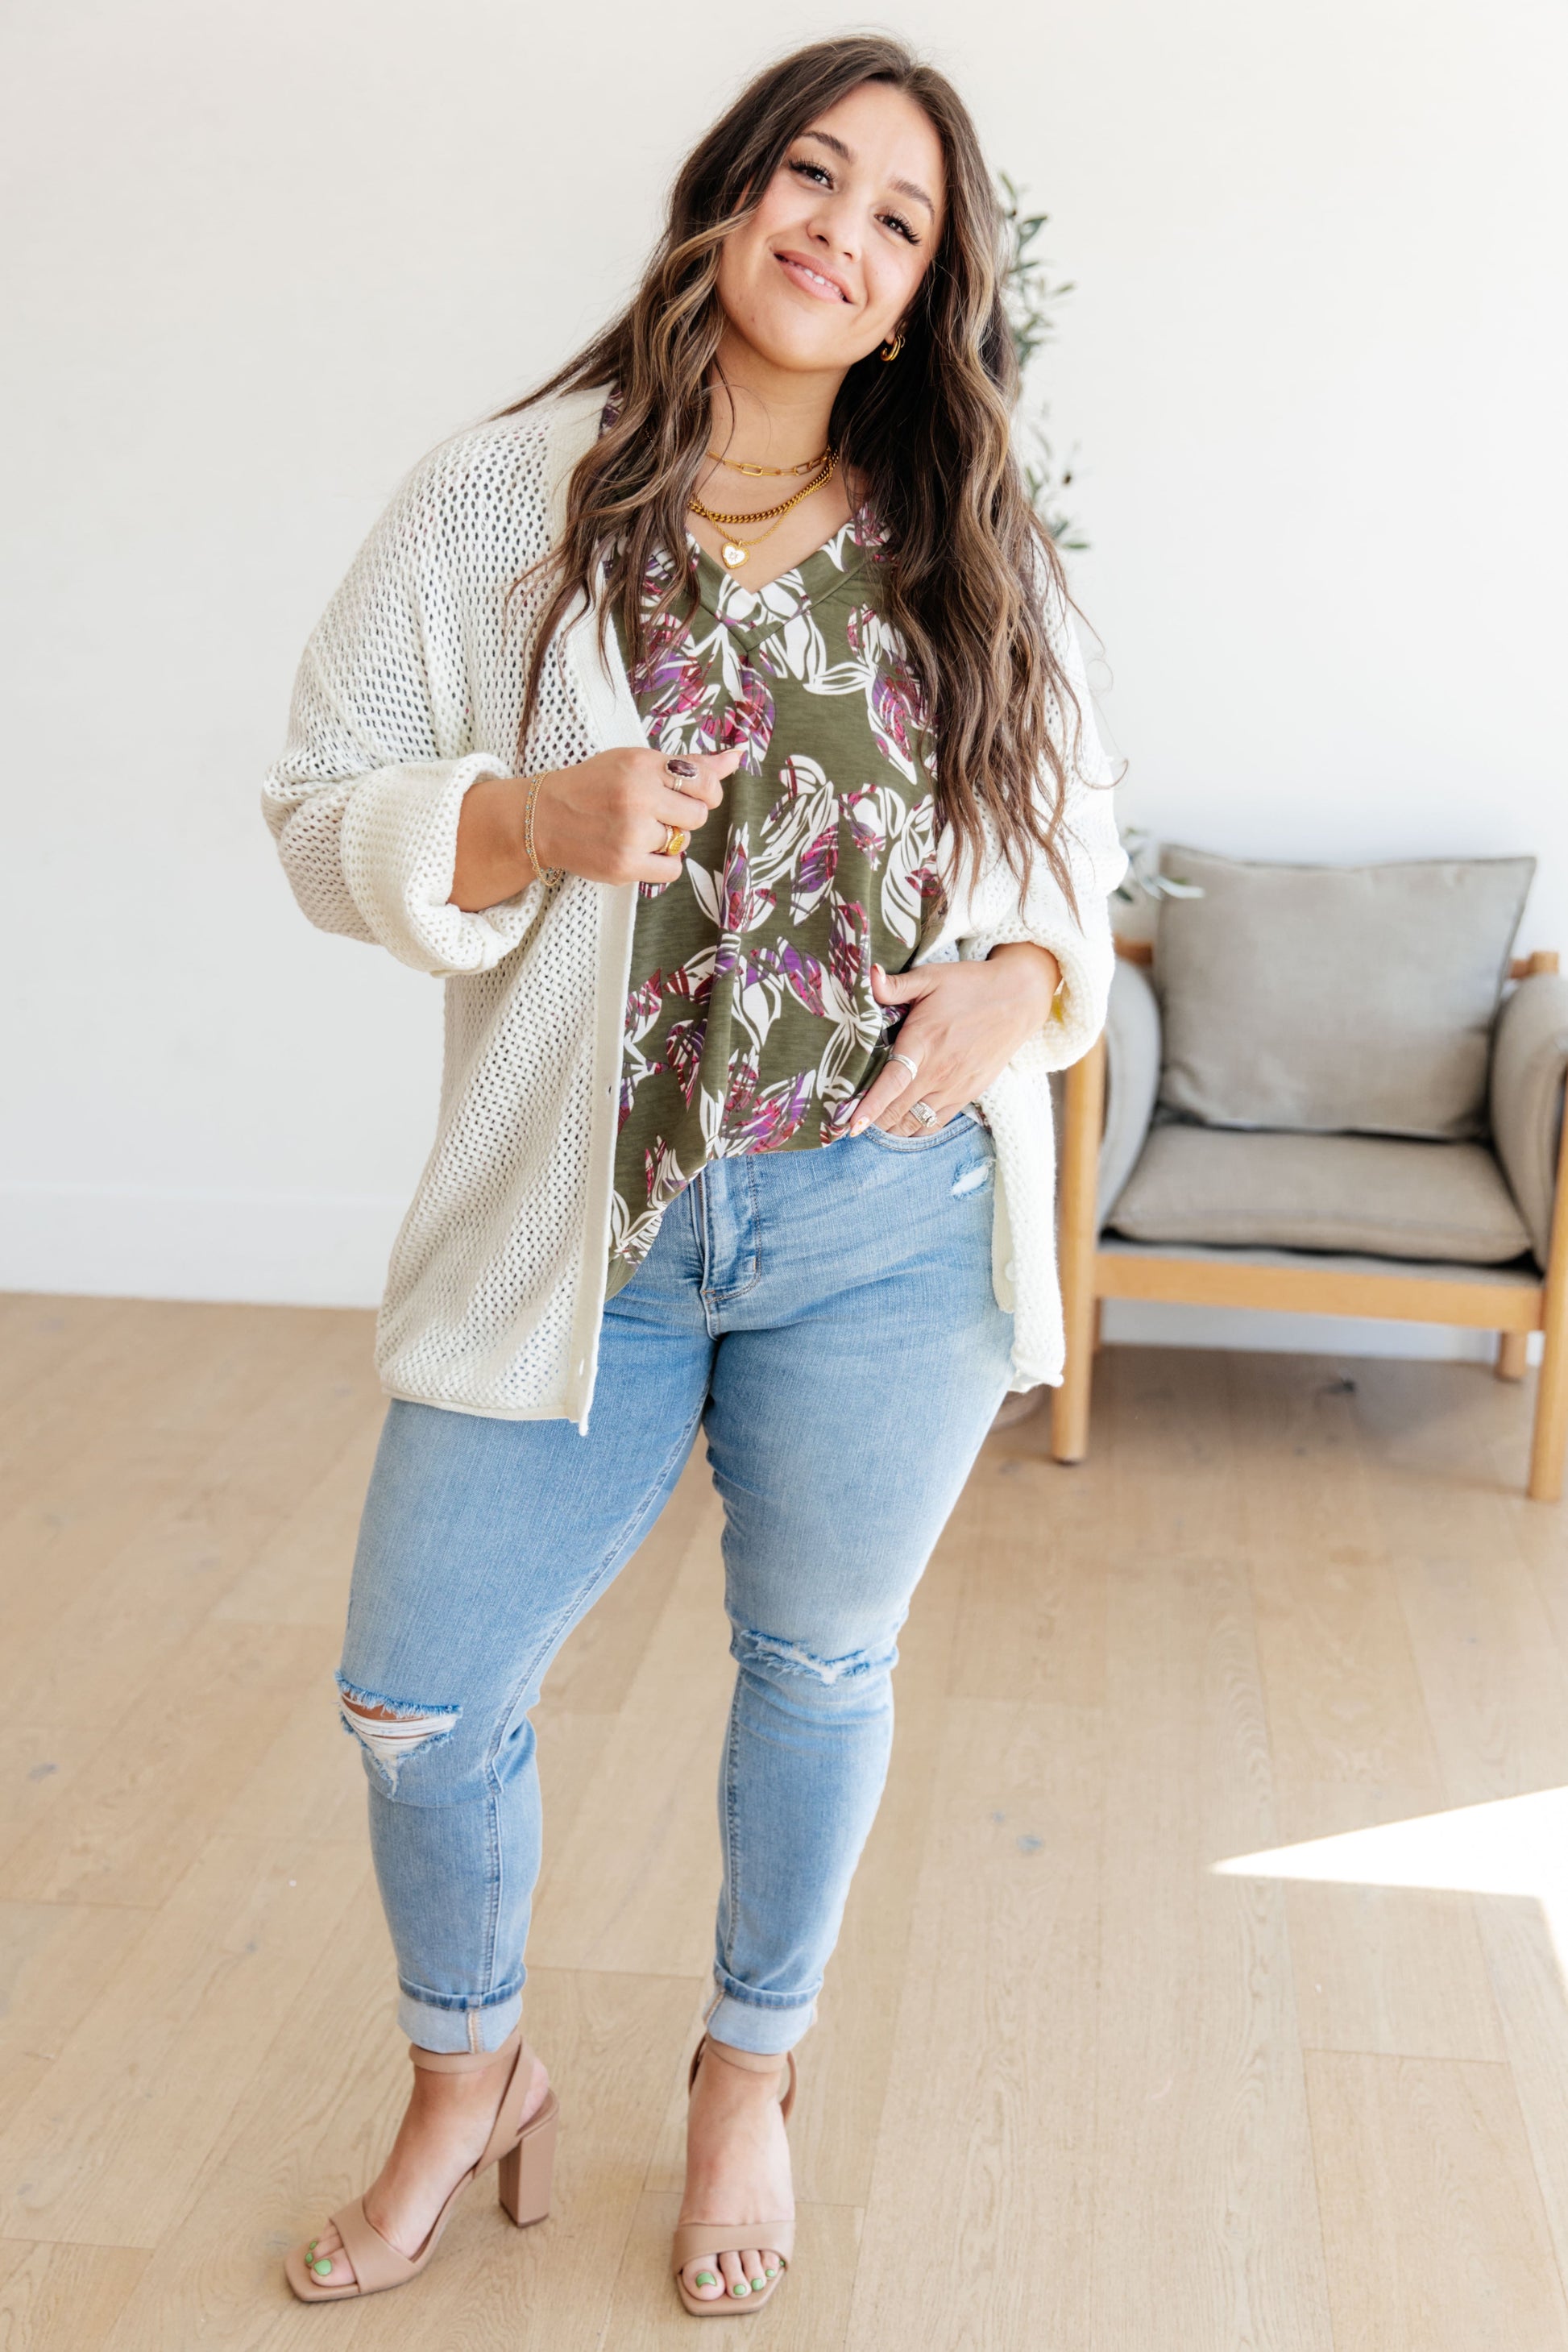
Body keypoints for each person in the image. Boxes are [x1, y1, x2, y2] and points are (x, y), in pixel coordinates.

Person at [263, 32, 1123, 2318]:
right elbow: (319, 808)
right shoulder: (508, 497)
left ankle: (750, 2073)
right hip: (594, 1228)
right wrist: (515, 820)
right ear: (730, 194)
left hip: (883, 1221)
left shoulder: (966, 533)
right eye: (810, 177)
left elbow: (1077, 842)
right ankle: (473, 2078)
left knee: (818, 1663)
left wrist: (1024, 981)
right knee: (416, 1696)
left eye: (897, 219)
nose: (840, 232)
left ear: (924, 295)